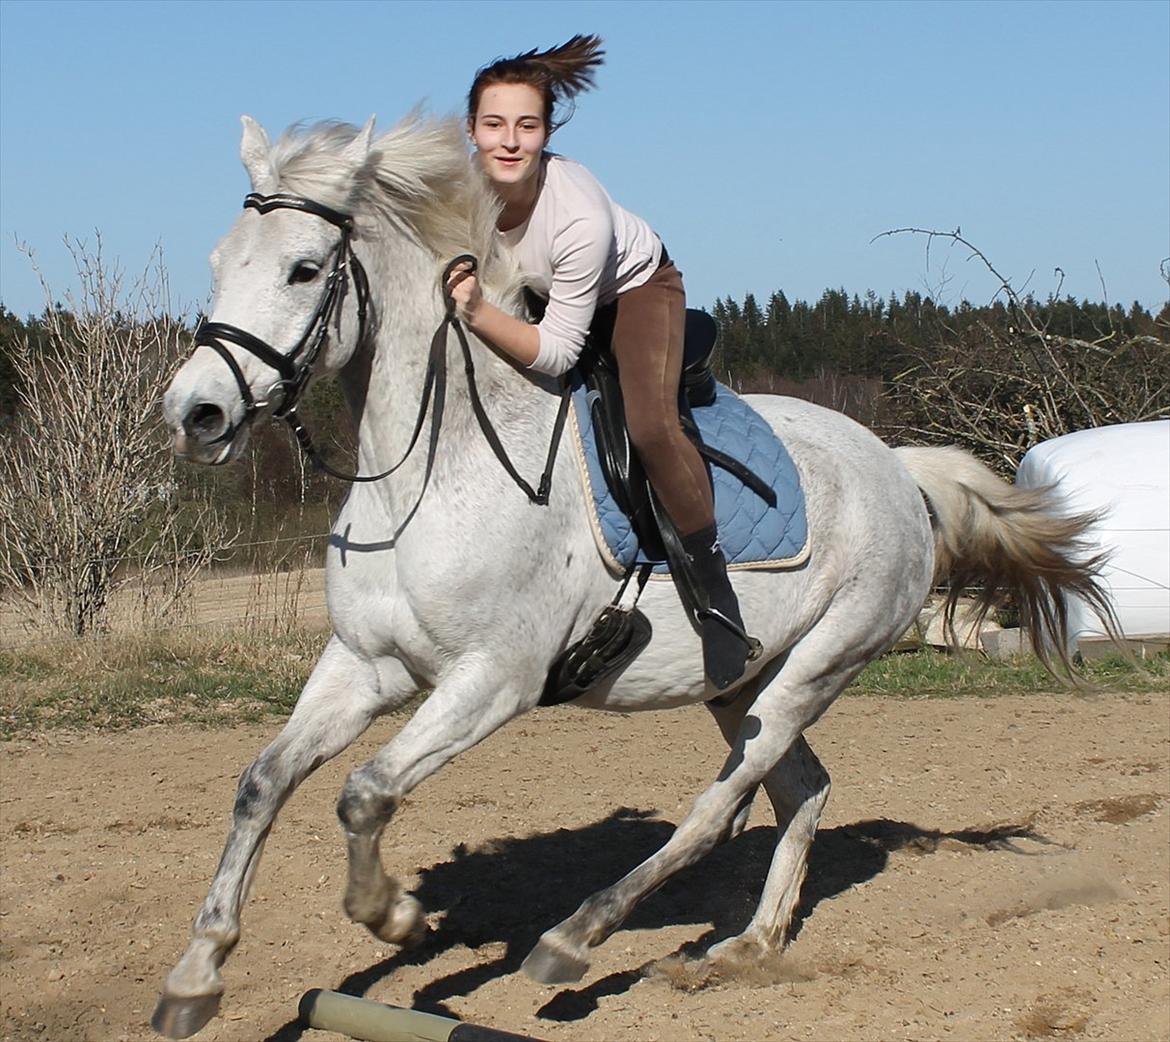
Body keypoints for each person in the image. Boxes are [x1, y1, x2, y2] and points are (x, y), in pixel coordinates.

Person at [446, 34, 752, 690]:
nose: (509, 140)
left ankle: (717, 598)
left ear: (547, 131)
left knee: (648, 425)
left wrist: (476, 312)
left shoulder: (578, 213)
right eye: (494, 124)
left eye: (527, 126)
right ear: (470, 129)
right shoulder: (460, 186)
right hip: (540, 291)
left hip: (636, 293)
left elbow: (558, 352)